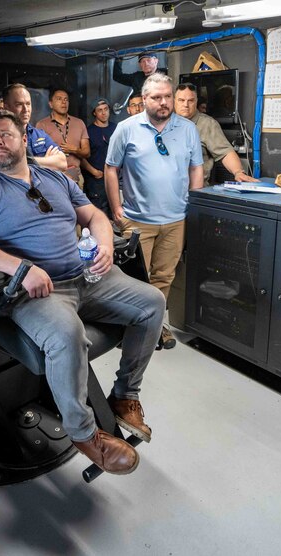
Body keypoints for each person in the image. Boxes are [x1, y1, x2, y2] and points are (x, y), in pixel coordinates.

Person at [0, 110, 166, 475]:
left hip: (86, 277)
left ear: (23, 139)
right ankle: (83, 433)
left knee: (153, 303)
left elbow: (95, 217)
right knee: (68, 334)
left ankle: (125, 396)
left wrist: (104, 246)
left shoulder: (56, 178)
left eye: (4, 135)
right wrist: (20, 268)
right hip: (35, 291)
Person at [105, 73, 203, 350]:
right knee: (135, 280)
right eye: (157, 97)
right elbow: (111, 168)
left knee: (164, 277)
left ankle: (156, 325)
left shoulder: (187, 129)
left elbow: (196, 167)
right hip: (137, 220)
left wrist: (192, 206)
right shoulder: (126, 129)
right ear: (144, 99)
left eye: (167, 96)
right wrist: (116, 208)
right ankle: (130, 329)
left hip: (176, 219)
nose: (164, 102)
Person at [175, 82, 258, 187]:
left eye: (190, 101)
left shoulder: (207, 124)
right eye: (181, 100)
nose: (185, 105)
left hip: (194, 192)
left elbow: (225, 152)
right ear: (174, 101)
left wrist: (238, 172)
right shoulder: (165, 122)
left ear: (196, 102)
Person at [2, 83, 67, 172]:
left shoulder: (39, 134)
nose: (26, 110)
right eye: (19, 104)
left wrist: (29, 161)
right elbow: (9, 166)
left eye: (28, 104)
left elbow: (62, 163)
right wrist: (47, 161)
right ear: (6, 107)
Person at [35, 87, 90, 183]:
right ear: (51, 104)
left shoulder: (79, 123)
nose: (63, 102)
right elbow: (38, 155)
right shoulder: (42, 125)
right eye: (59, 99)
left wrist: (75, 150)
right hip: (53, 177)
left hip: (76, 176)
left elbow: (87, 153)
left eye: (66, 99)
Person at [82, 98, 116, 214]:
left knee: (115, 213)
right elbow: (81, 156)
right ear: (94, 113)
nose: (103, 112)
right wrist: (93, 172)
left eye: (106, 109)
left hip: (113, 177)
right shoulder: (88, 131)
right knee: (99, 214)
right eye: (100, 110)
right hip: (96, 180)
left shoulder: (116, 128)